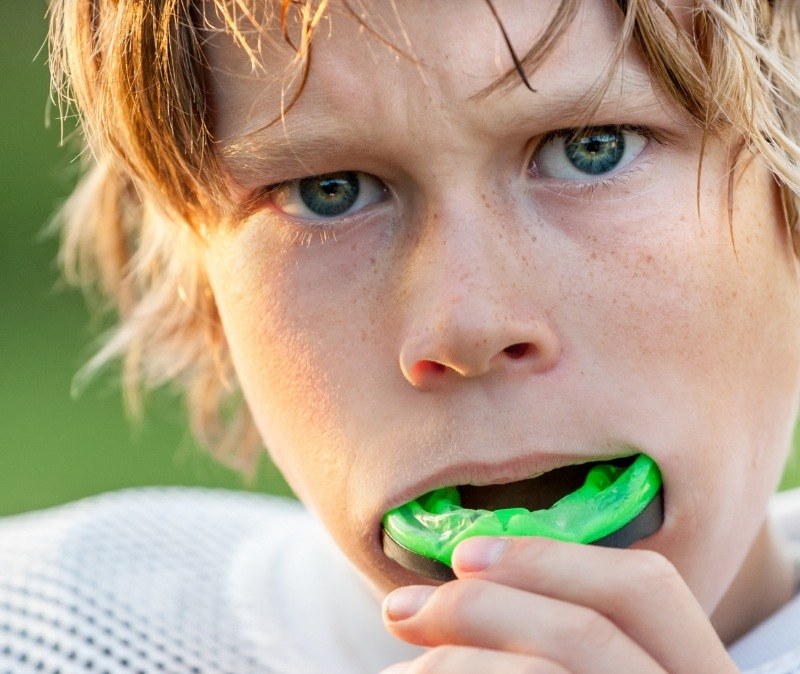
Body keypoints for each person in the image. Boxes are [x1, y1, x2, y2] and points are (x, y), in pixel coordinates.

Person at [3, 0, 800, 671]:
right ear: (203, 287)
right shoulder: (49, 632)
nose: (467, 325)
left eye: (591, 149)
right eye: (329, 192)